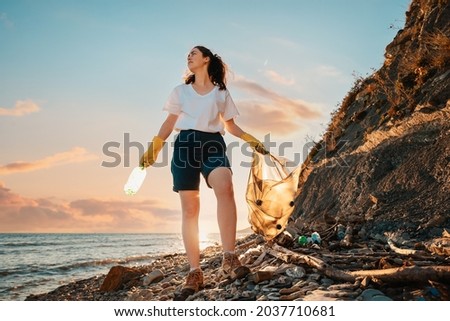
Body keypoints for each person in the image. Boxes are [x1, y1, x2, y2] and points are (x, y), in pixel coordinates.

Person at [140, 45, 267, 298]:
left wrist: (249, 138)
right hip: (185, 146)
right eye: (188, 55)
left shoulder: (220, 92)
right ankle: (195, 271)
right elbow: (170, 122)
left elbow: (229, 125)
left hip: (212, 145)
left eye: (193, 53)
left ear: (206, 59)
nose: (188, 56)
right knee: (190, 209)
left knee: (226, 187)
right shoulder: (181, 91)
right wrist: (155, 146)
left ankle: (229, 257)